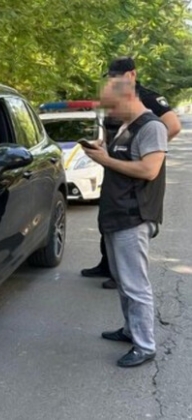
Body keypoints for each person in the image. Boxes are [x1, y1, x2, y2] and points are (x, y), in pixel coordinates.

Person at [83, 76, 167, 367]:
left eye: (112, 105)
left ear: (129, 97)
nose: (110, 112)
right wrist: (102, 152)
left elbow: (149, 170)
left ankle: (145, 346)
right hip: (116, 214)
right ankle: (131, 330)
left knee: (135, 285)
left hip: (134, 216)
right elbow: (123, 161)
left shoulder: (152, 127)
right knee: (122, 280)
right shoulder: (125, 126)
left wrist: (105, 160)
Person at [81, 57, 181, 289]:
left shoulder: (147, 98)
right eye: (111, 76)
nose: (114, 80)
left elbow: (173, 126)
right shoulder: (113, 96)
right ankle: (108, 264)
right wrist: (106, 147)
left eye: (118, 75)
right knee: (110, 217)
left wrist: (148, 149)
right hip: (115, 164)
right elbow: (111, 130)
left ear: (132, 74)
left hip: (134, 173)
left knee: (128, 226)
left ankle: (120, 273)